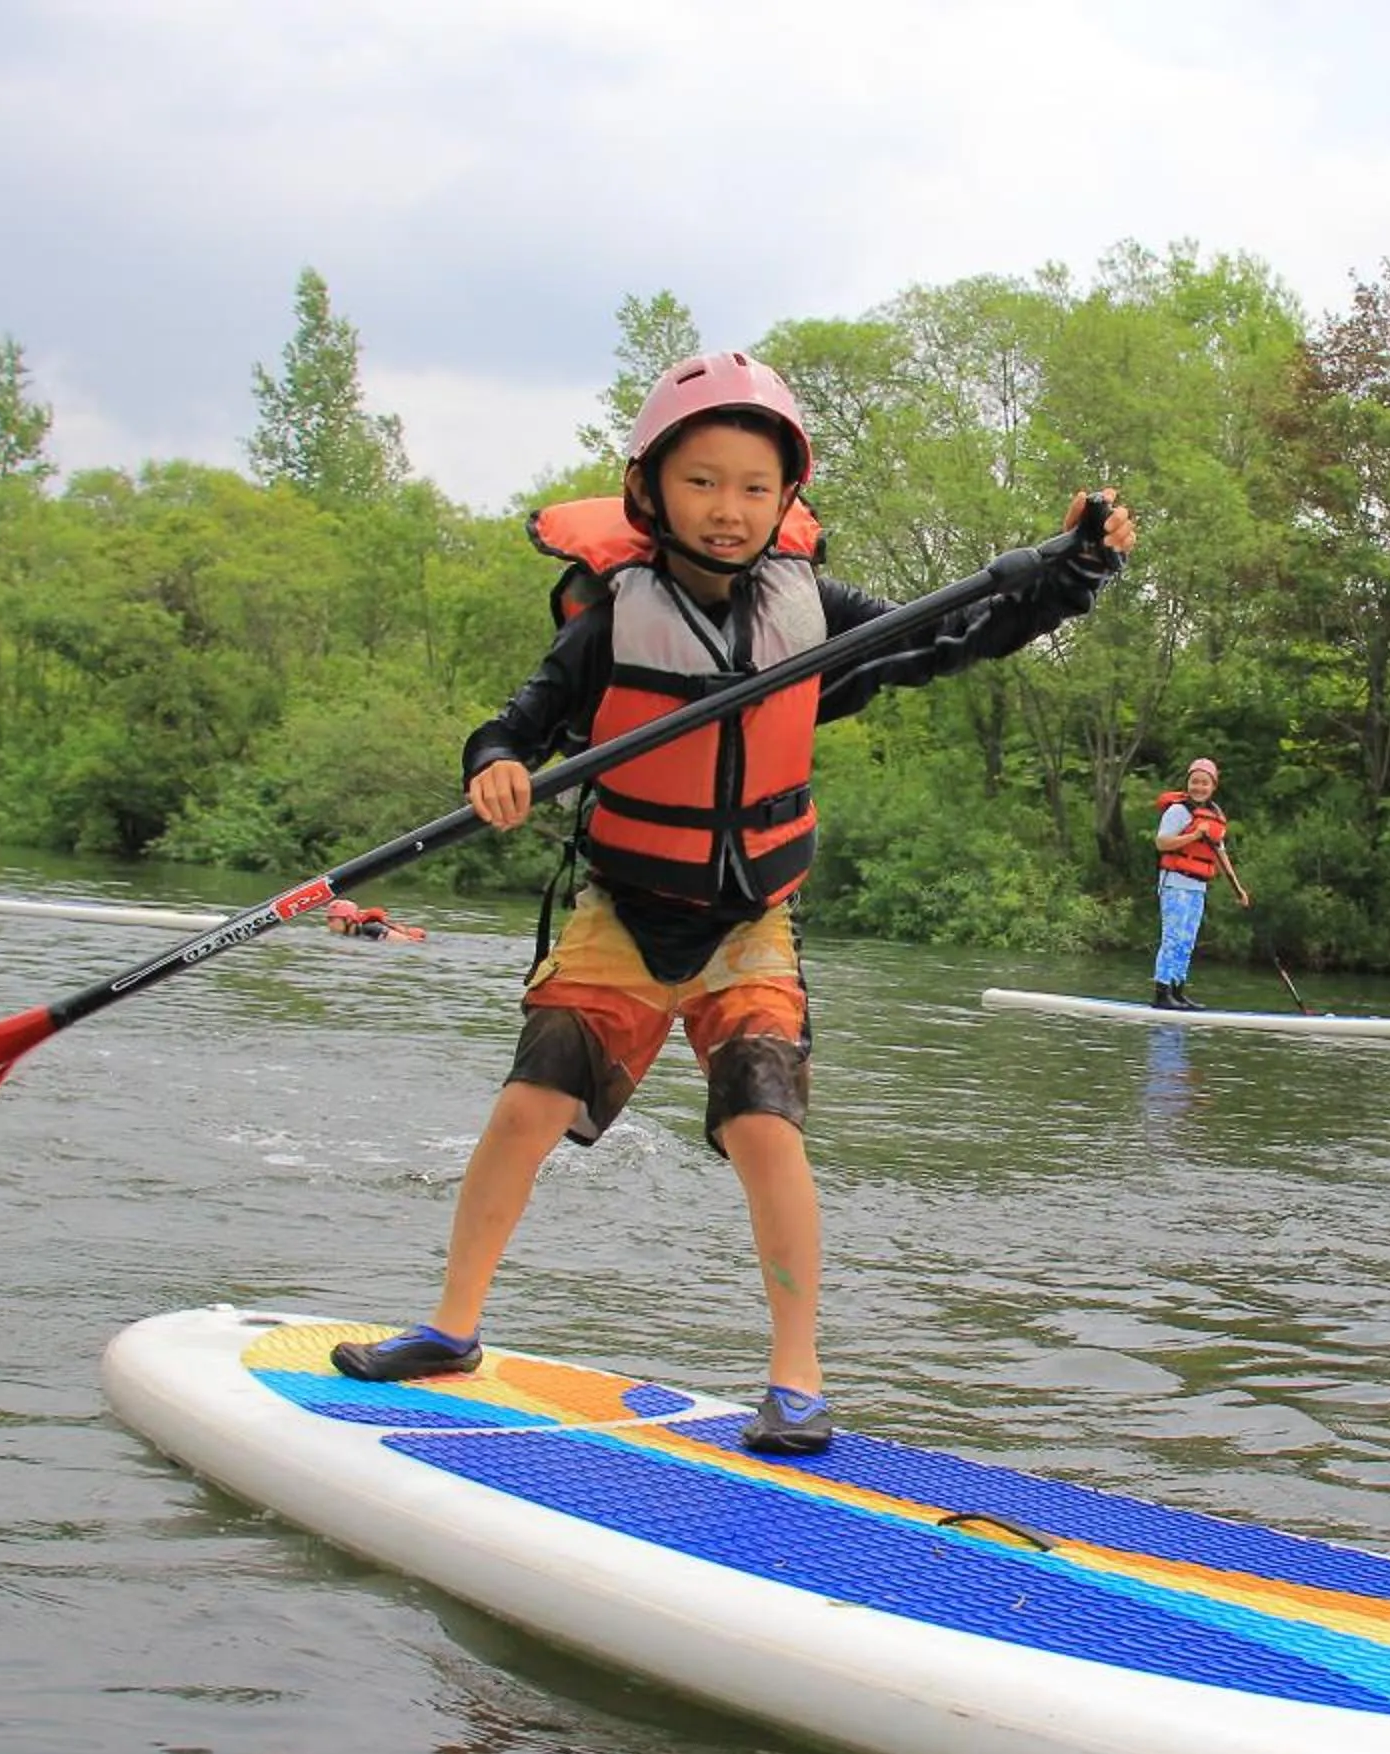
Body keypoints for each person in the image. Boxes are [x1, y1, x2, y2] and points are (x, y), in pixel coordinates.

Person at [329, 350, 1135, 1456]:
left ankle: (797, 1378)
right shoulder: (609, 620)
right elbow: (516, 725)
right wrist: (497, 765)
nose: (728, 508)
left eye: (756, 487)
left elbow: (954, 637)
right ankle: (450, 1329)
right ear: (650, 489)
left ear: (785, 498)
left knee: (764, 1125)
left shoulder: (818, 612)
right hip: (623, 912)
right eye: (702, 481)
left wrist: (1073, 572)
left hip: (750, 918)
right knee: (528, 1107)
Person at [1151, 756, 1246, 1010]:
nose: (1199, 787)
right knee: (1173, 938)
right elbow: (1162, 843)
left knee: (1187, 941)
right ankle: (1162, 993)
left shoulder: (1214, 817)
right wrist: (1194, 835)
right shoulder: (1178, 811)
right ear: (1188, 783)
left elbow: (1220, 855)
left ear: (1213, 786)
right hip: (1175, 883)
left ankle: (1177, 991)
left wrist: (1238, 889)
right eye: (1194, 781)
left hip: (1197, 886)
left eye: (1205, 783)